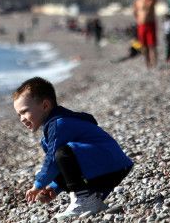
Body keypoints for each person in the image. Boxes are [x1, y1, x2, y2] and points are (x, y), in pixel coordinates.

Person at [13, 76, 133, 218]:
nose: (22, 118)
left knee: (62, 153)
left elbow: (52, 160)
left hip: (112, 164)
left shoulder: (60, 125)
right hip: (108, 167)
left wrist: (38, 185)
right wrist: (54, 187)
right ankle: (92, 200)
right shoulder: (51, 132)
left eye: (24, 111)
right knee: (60, 156)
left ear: (45, 105)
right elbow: (61, 167)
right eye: (18, 114)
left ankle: (85, 201)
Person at [133, 0, 157, 68]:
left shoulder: (150, 0)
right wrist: (138, 20)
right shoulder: (138, 0)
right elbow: (135, 12)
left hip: (150, 24)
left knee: (152, 45)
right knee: (144, 46)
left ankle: (154, 63)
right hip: (141, 25)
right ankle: (147, 63)